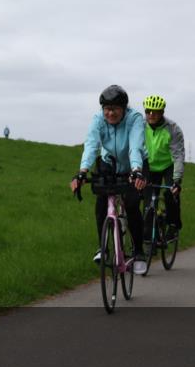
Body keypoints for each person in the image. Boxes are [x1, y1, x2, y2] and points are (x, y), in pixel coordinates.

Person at [70, 85, 149, 275]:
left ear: (124, 108)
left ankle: (138, 252)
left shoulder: (135, 119)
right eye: (107, 109)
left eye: (115, 109)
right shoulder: (98, 120)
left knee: (131, 204)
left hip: (134, 164)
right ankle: (103, 248)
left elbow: (135, 147)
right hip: (109, 163)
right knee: (101, 202)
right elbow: (91, 145)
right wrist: (82, 171)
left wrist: (137, 171)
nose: (110, 113)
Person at [141, 95, 185, 239]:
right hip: (149, 166)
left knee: (171, 193)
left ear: (162, 112)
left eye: (155, 111)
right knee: (148, 203)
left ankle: (173, 225)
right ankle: (150, 237)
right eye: (148, 111)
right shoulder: (140, 126)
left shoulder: (173, 129)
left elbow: (178, 156)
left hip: (168, 166)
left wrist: (177, 180)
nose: (151, 114)